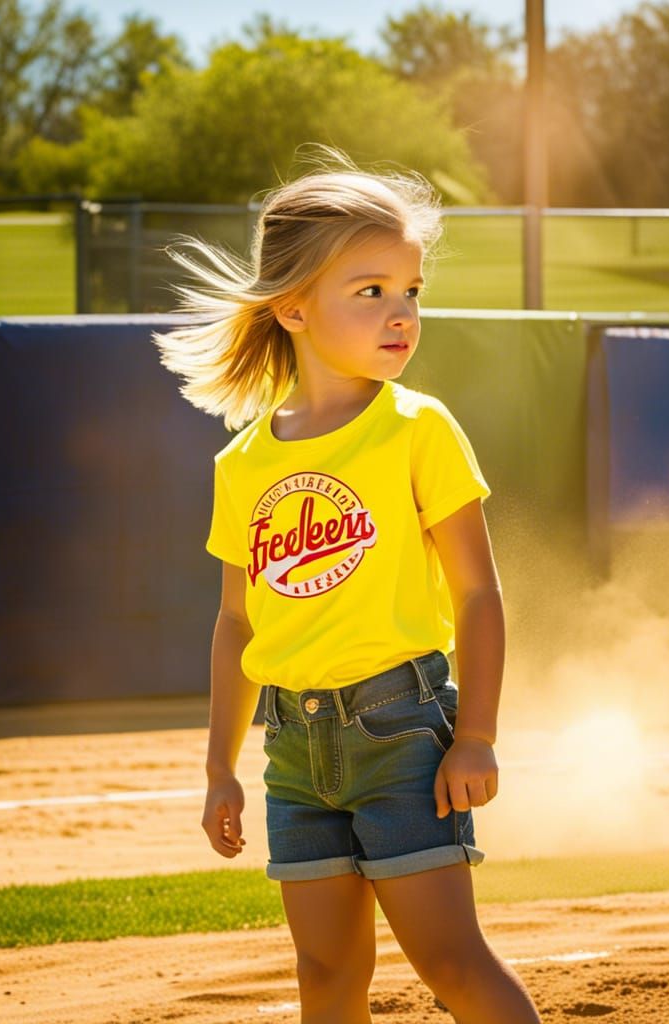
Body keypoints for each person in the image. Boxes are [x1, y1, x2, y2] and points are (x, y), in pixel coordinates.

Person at [152, 152, 541, 1024]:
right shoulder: (241, 462)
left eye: (410, 291)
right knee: (325, 975)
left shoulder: (418, 429)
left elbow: (479, 595)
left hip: (401, 732)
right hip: (292, 747)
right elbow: (233, 623)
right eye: (370, 291)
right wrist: (220, 765)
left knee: (449, 961)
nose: (401, 313)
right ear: (292, 306)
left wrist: (473, 733)